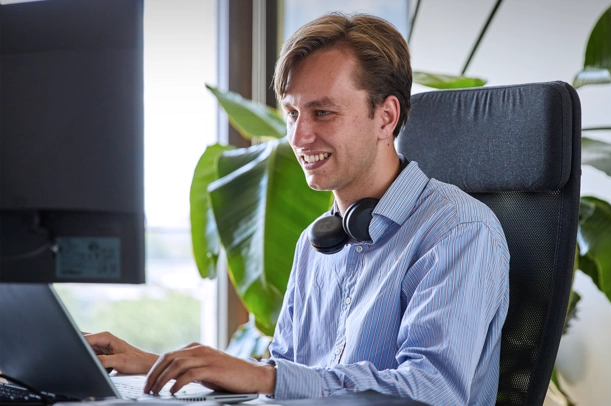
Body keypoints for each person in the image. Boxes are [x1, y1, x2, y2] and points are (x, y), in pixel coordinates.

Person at [86, 12, 509, 405]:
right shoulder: (317, 241)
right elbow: (284, 378)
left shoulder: (457, 230)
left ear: (386, 117)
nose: (300, 136)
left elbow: (432, 392)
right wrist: (156, 364)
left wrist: (268, 379)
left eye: (322, 112)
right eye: (292, 113)